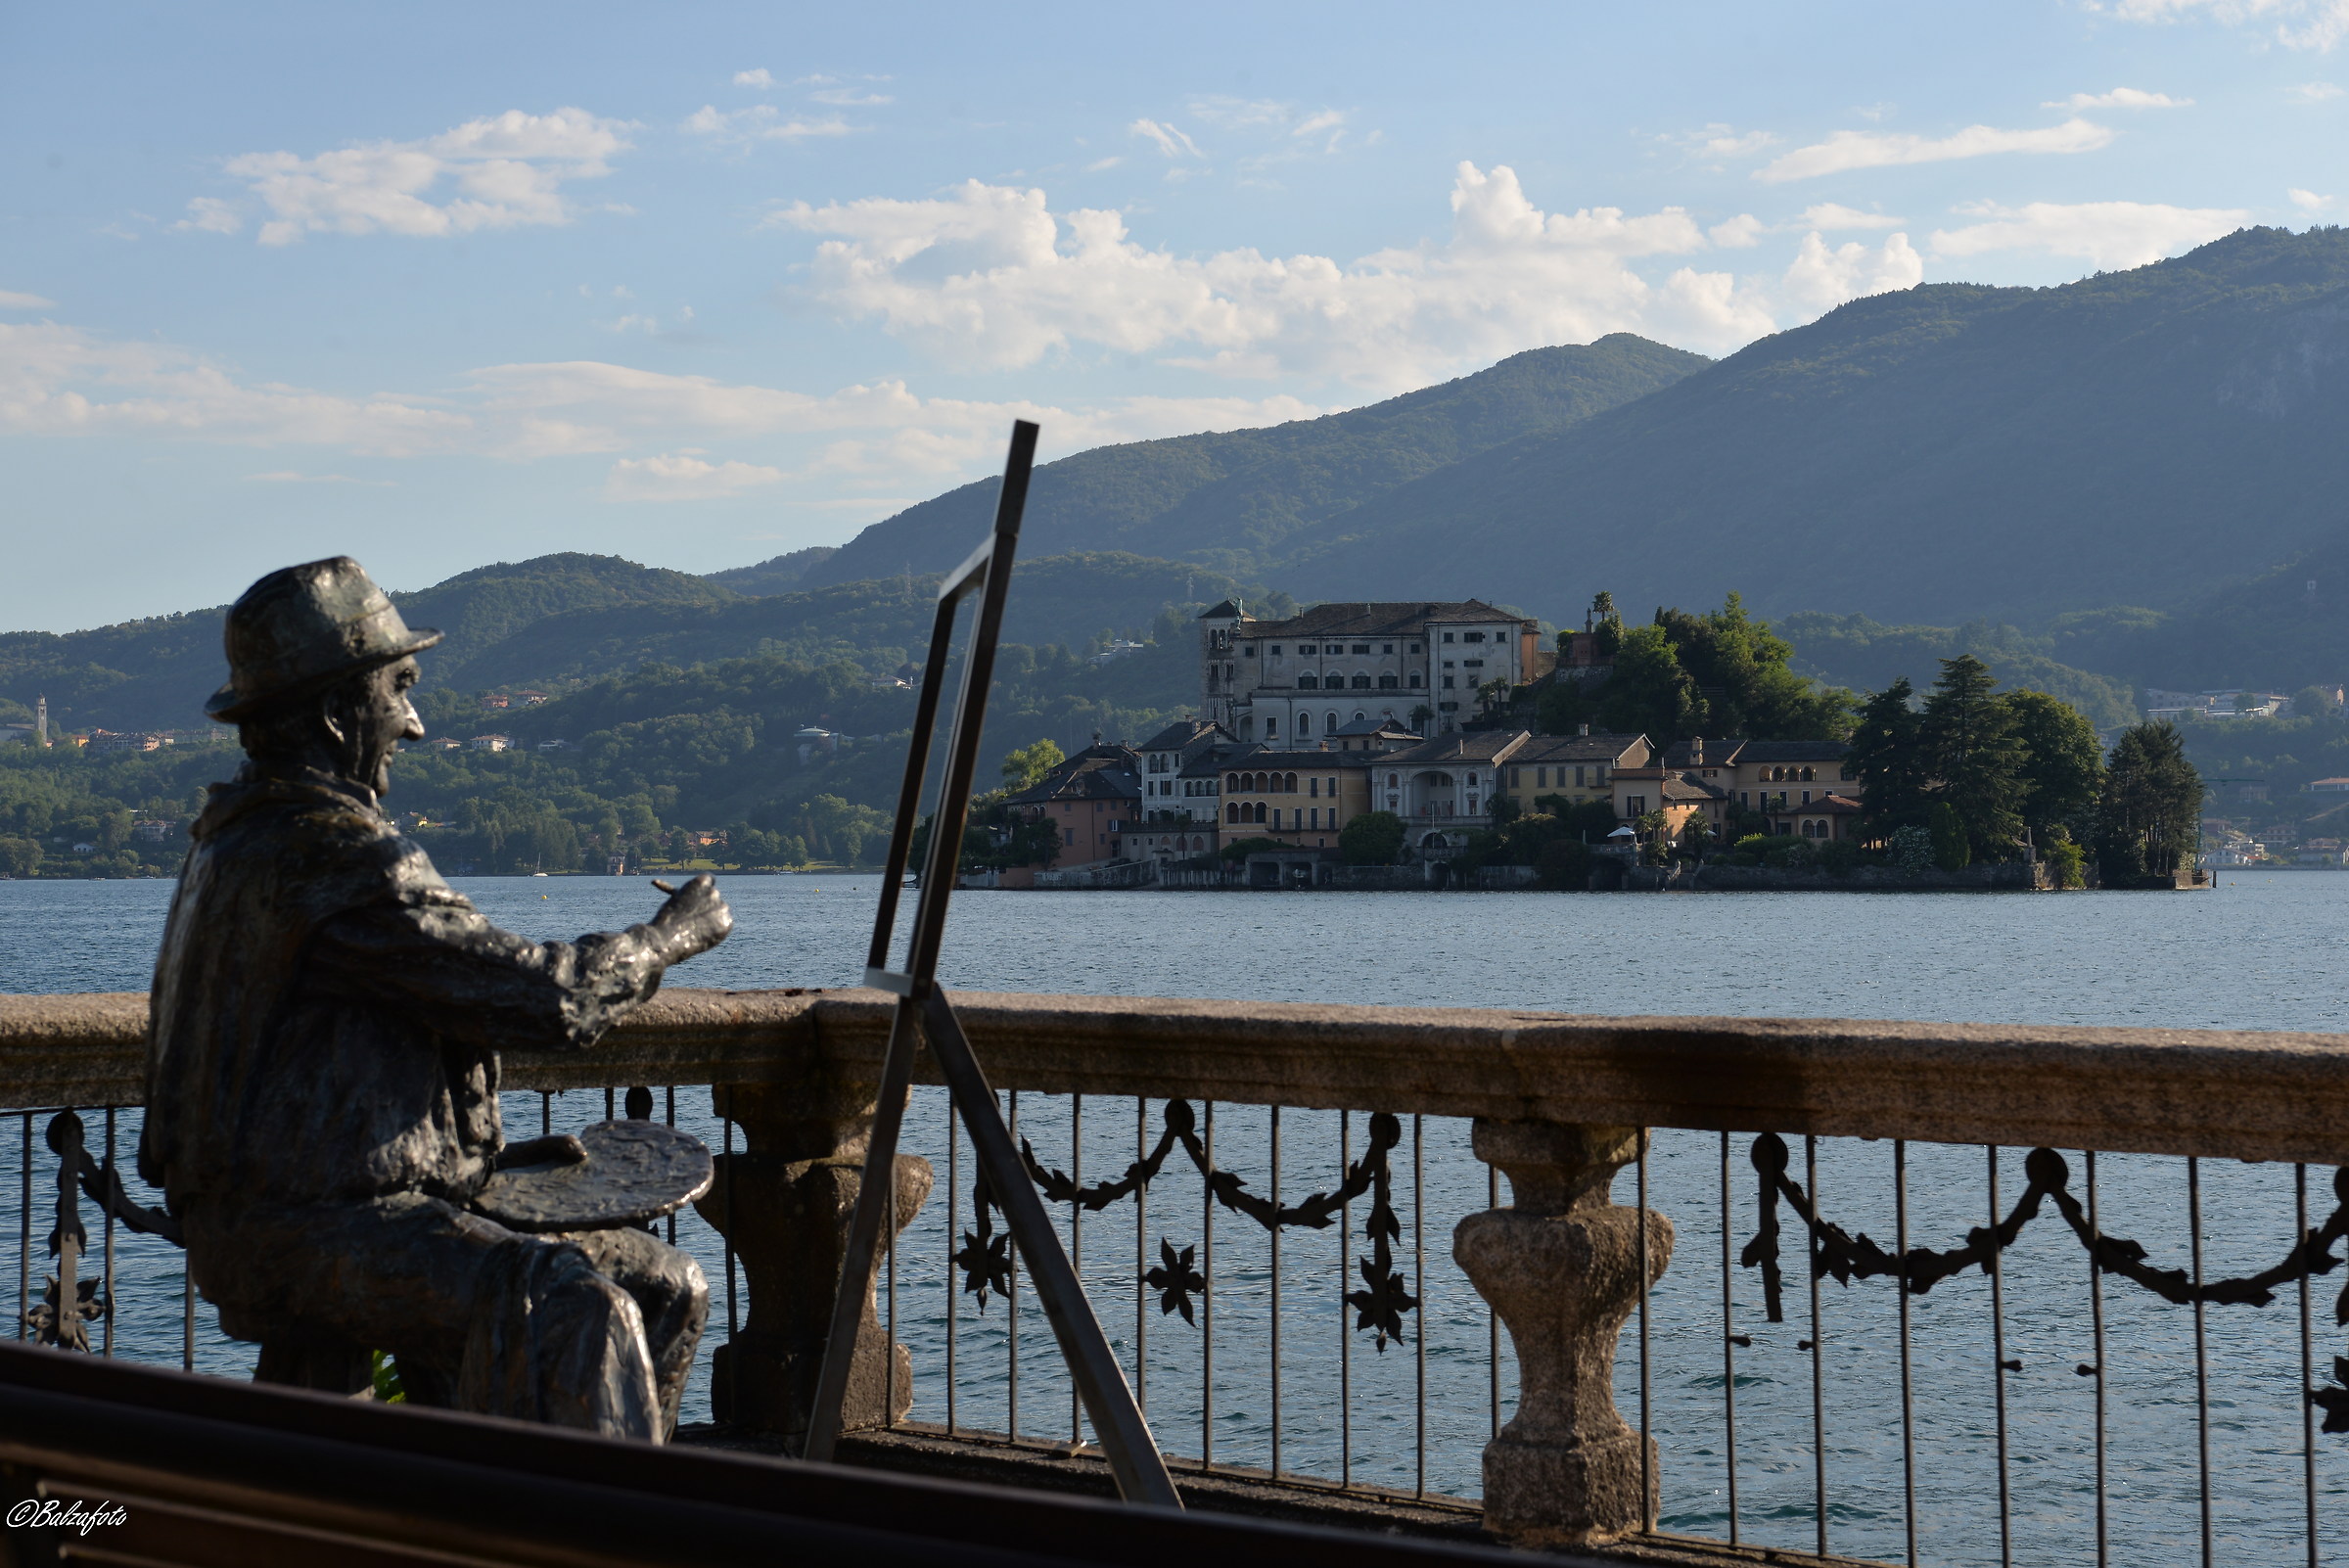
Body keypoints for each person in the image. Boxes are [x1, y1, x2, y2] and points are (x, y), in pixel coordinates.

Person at [143, 557, 731, 1440]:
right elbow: (544, 998)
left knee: (664, 1283)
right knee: (572, 1308)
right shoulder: (332, 857)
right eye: (399, 689)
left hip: (306, 1212)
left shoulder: (231, 844)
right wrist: (668, 936)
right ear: (341, 711)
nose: (413, 725)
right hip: (311, 1230)